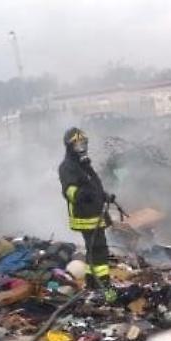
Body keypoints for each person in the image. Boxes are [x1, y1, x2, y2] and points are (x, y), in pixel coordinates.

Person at [58, 126, 118, 304]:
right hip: (85, 216)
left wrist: (103, 195)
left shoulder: (83, 164)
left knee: (94, 250)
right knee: (99, 250)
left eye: (83, 143)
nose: (82, 147)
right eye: (77, 144)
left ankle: (93, 283)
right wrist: (82, 194)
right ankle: (104, 286)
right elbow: (68, 190)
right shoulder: (67, 166)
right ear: (69, 146)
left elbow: (93, 185)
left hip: (95, 213)